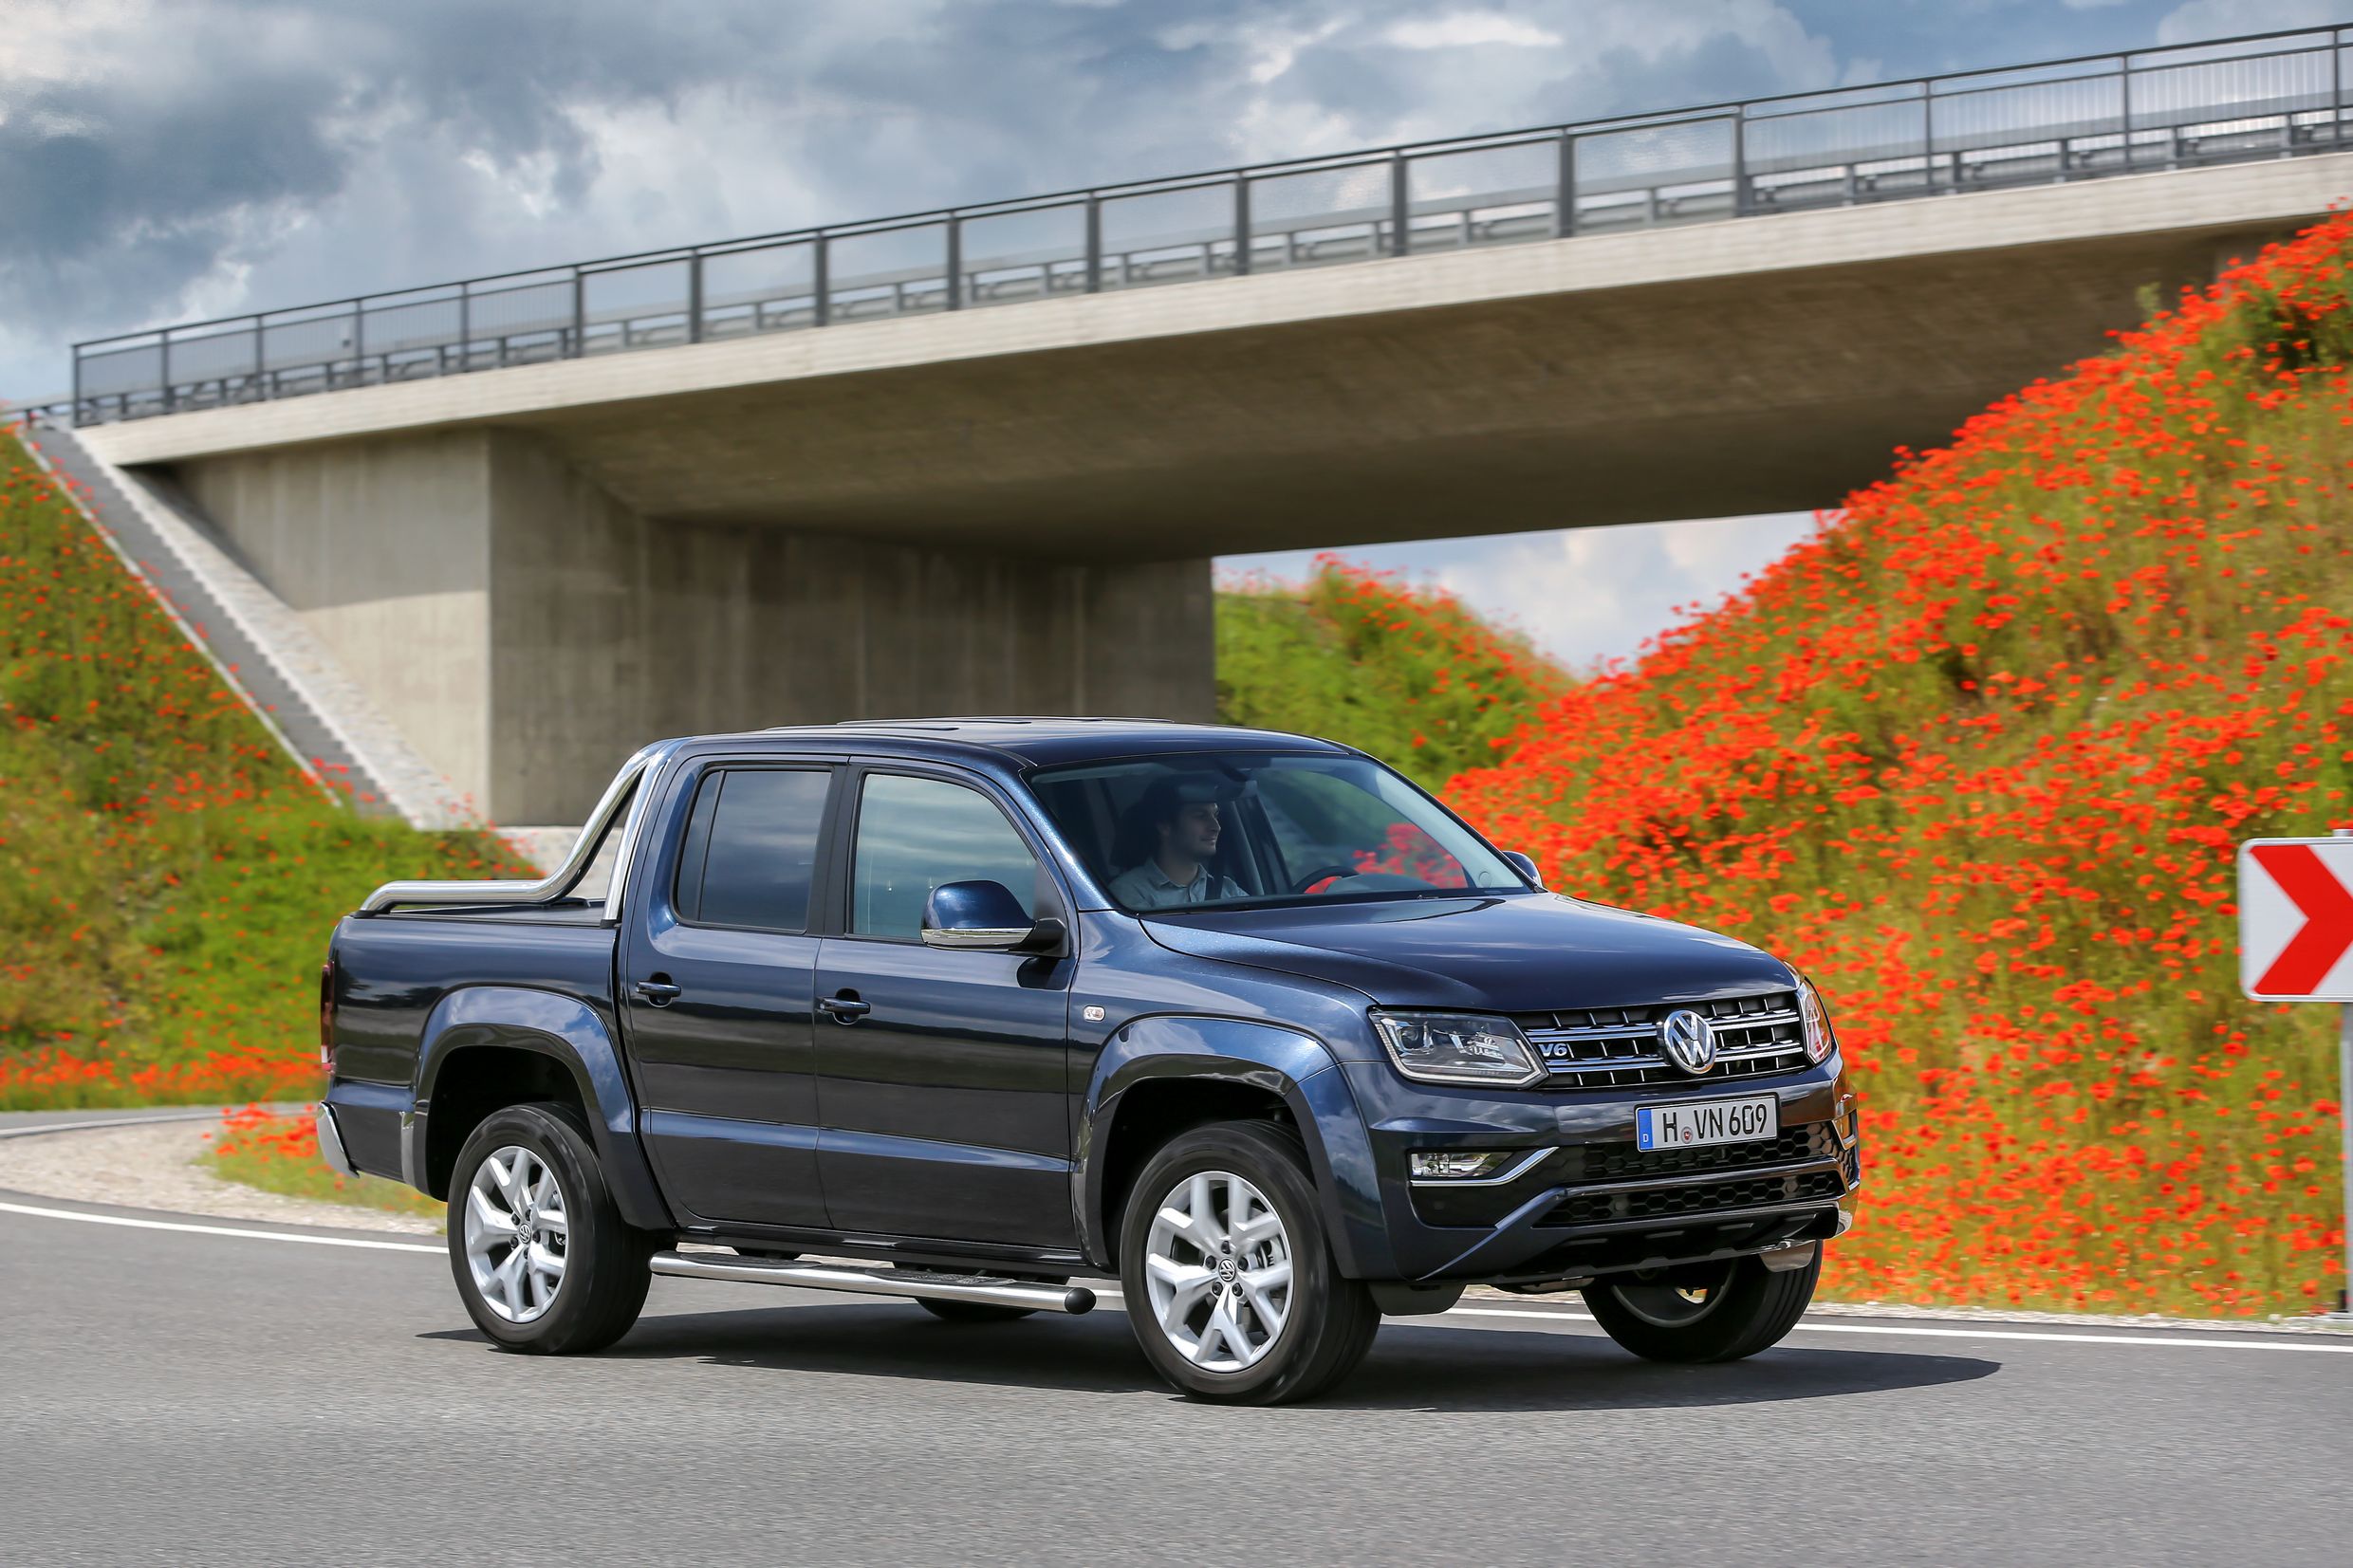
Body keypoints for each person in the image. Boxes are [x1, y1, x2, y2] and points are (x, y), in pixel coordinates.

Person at [1109, 776, 1247, 909]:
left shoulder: (1229, 890)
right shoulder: (1129, 893)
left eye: (1215, 815)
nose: (1216, 827)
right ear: (1164, 825)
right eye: (1200, 816)